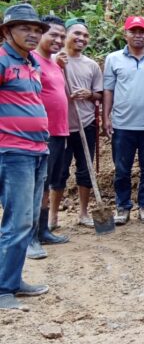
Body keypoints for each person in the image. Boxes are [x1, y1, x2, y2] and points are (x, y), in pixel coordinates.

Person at [0, 3, 52, 311]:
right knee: (16, 222)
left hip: (36, 150)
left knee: (27, 220)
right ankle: (3, 288)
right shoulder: (3, 60)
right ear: (7, 31)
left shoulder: (30, 62)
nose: (33, 34)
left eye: (36, 30)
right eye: (24, 29)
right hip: (13, 151)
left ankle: (14, 279)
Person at [103, 15, 144, 225]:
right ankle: (122, 207)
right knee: (122, 170)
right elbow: (108, 89)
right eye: (134, 31)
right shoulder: (113, 59)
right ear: (126, 34)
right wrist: (106, 116)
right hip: (123, 125)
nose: (138, 35)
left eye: (142, 31)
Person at [48, 19, 103, 230]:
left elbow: (100, 93)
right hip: (59, 127)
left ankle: (83, 213)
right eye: (77, 34)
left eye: (86, 35)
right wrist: (57, 66)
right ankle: (52, 216)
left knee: (85, 170)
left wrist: (90, 94)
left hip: (85, 124)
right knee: (58, 172)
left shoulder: (91, 65)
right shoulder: (52, 60)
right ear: (65, 36)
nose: (81, 38)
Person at [27, 16, 70, 259]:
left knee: (48, 184)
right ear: (42, 34)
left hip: (57, 132)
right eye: (53, 34)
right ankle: (30, 236)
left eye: (62, 36)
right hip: (38, 135)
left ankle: (43, 230)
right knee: (35, 186)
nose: (58, 40)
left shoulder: (54, 63)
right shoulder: (32, 62)